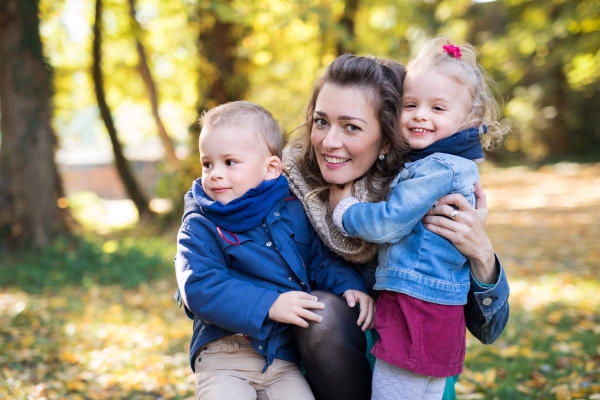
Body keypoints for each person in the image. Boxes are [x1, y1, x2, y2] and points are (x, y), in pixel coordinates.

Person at [283, 53, 510, 400]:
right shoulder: (285, 189)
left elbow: (489, 329)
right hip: (308, 372)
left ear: (387, 139)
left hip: (409, 358)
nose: (328, 142)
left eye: (352, 126)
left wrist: (481, 254)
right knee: (321, 312)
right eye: (321, 121)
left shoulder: (420, 194)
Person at [174, 101, 374, 400]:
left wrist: (349, 285)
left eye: (229, 162)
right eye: (207, 163)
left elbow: (319, 260)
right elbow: (200, 286)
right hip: (225, 355)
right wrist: (270, 304)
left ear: (270, 169)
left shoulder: (290, 211)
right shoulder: (200, 224)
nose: (214, 174)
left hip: (282, 359)